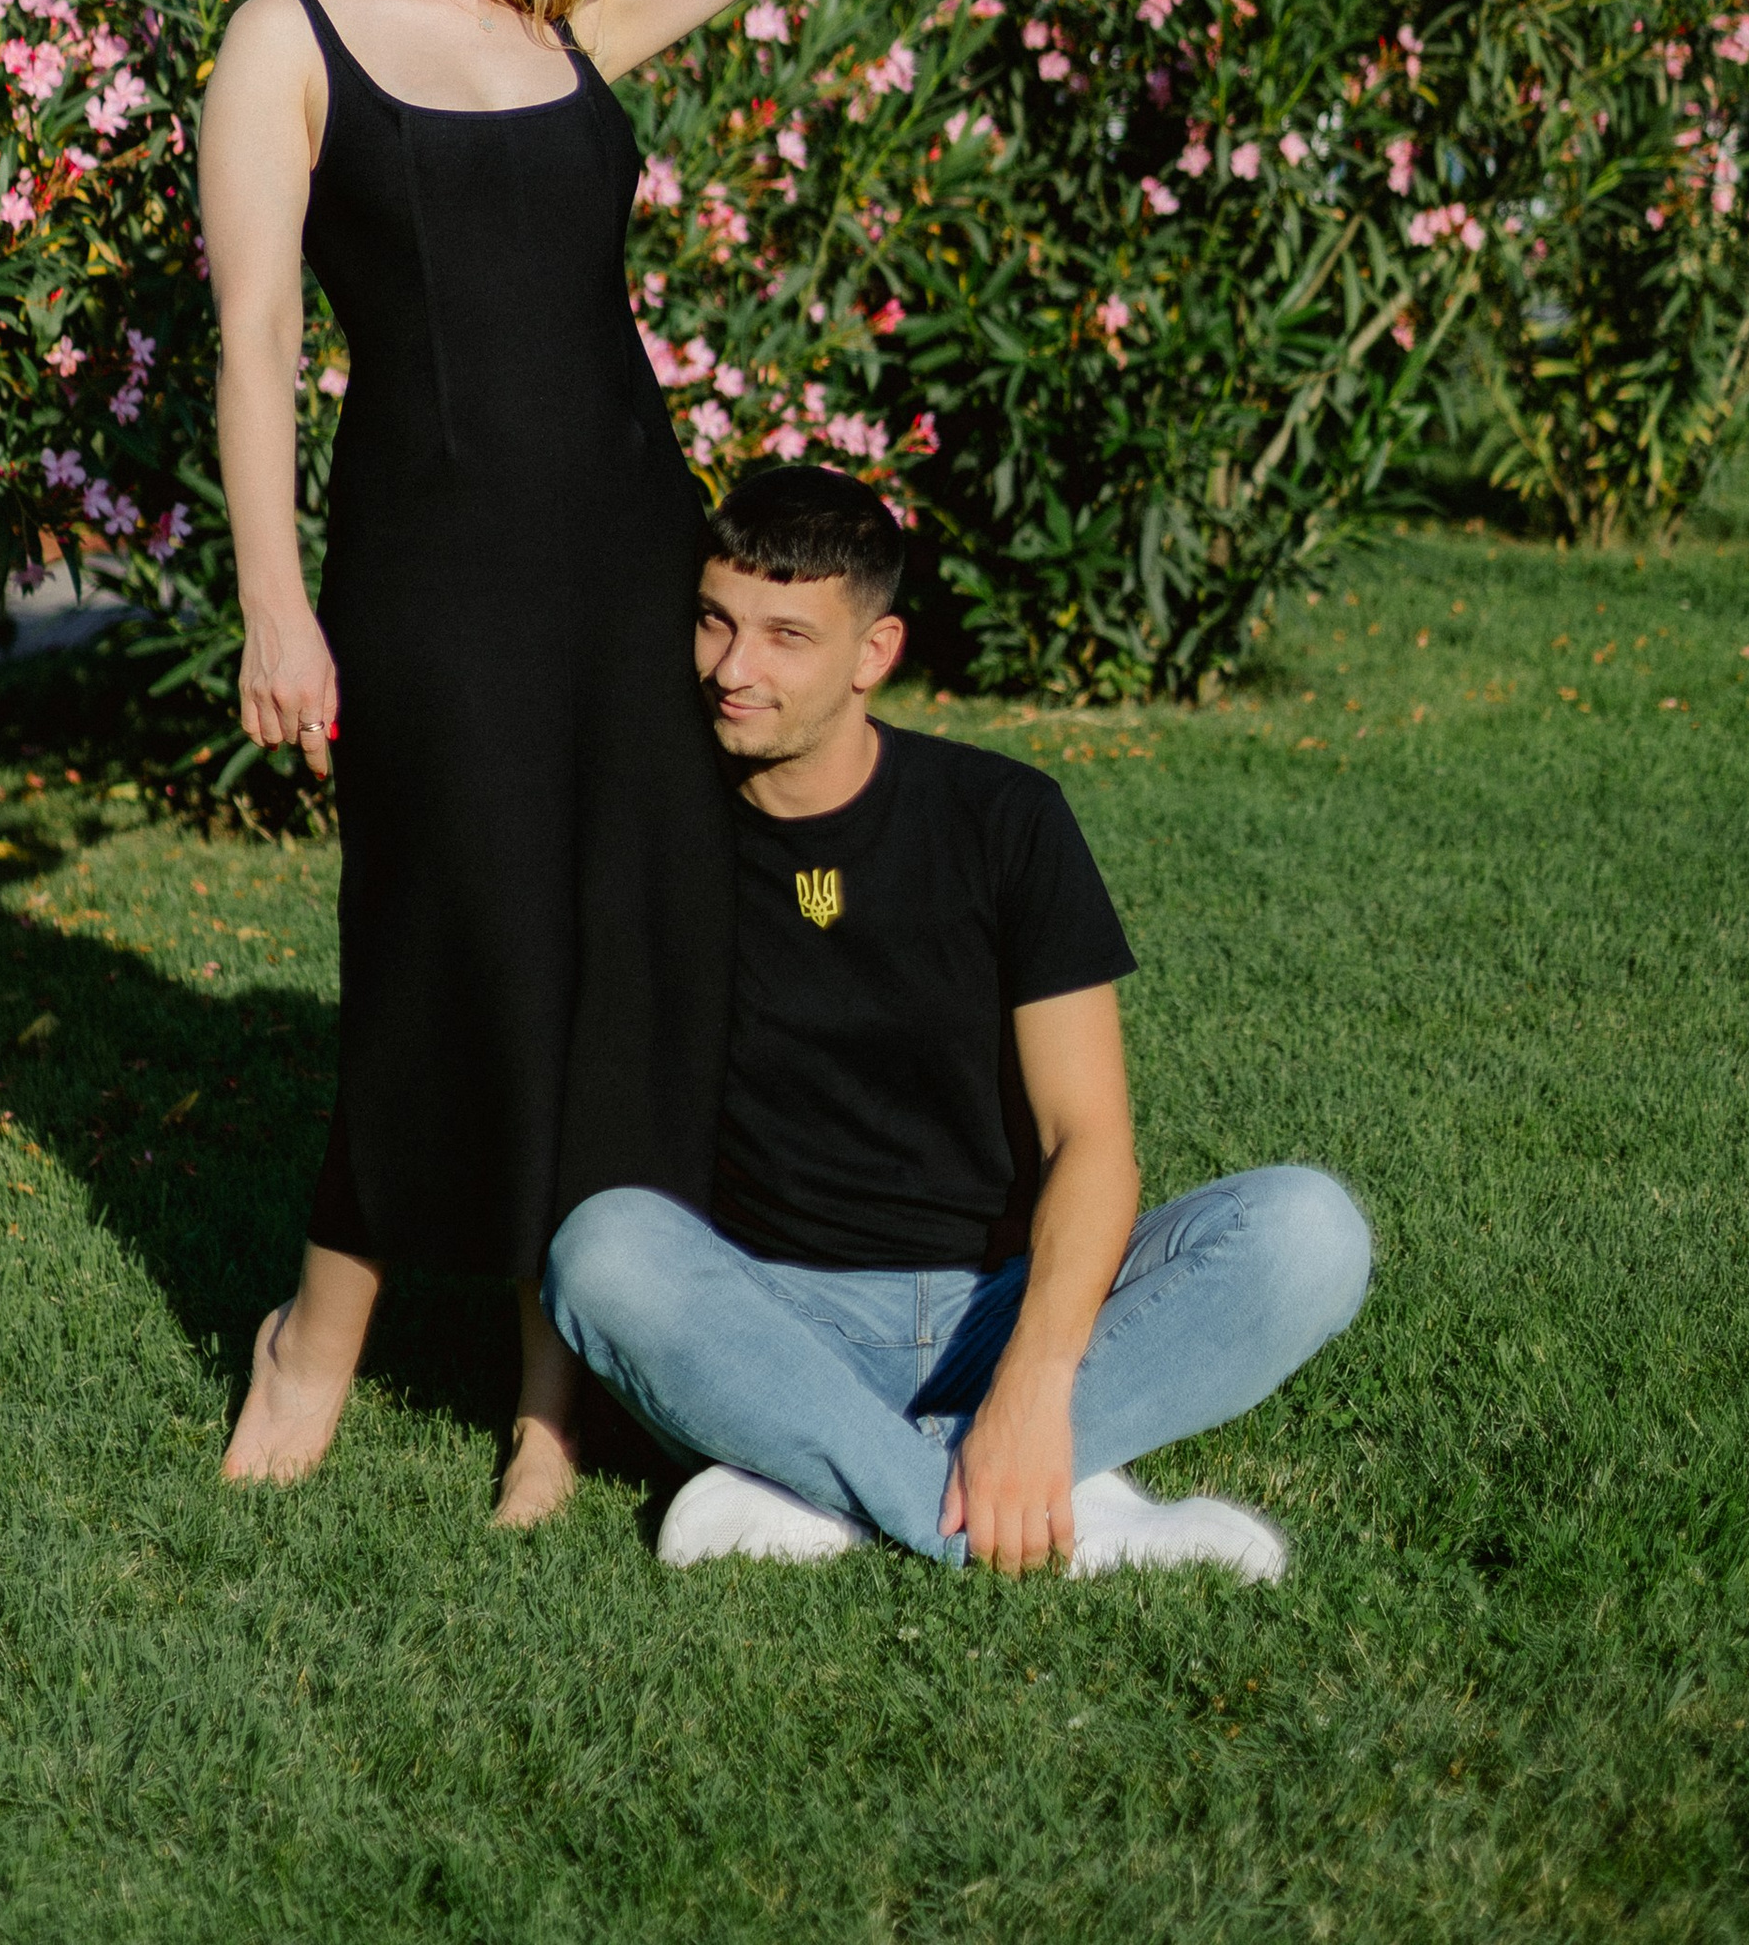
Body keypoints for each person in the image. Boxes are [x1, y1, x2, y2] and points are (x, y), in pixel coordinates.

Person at [201, 0, 836, 1523]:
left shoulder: (580, 28)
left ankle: (554, 1402)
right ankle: (315, 1333)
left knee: (623, 950)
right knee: (441, 940)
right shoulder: (290, 34)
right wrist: (275, 603)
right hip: (430, 570)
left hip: (638, 557)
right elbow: (252, 344)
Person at [545, 465, 1373, 1573]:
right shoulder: (654, 831)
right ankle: (1025, 1509)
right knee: (601, 1252)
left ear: (873, 655)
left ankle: (840, 1486)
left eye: (787, 637)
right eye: (714, 623)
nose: (733, 670)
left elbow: (1089, 1139)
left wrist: (1030, 1381)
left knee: (1310, 1232)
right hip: (776, 1325)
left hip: (1000, 1301)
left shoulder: (1001, 818)